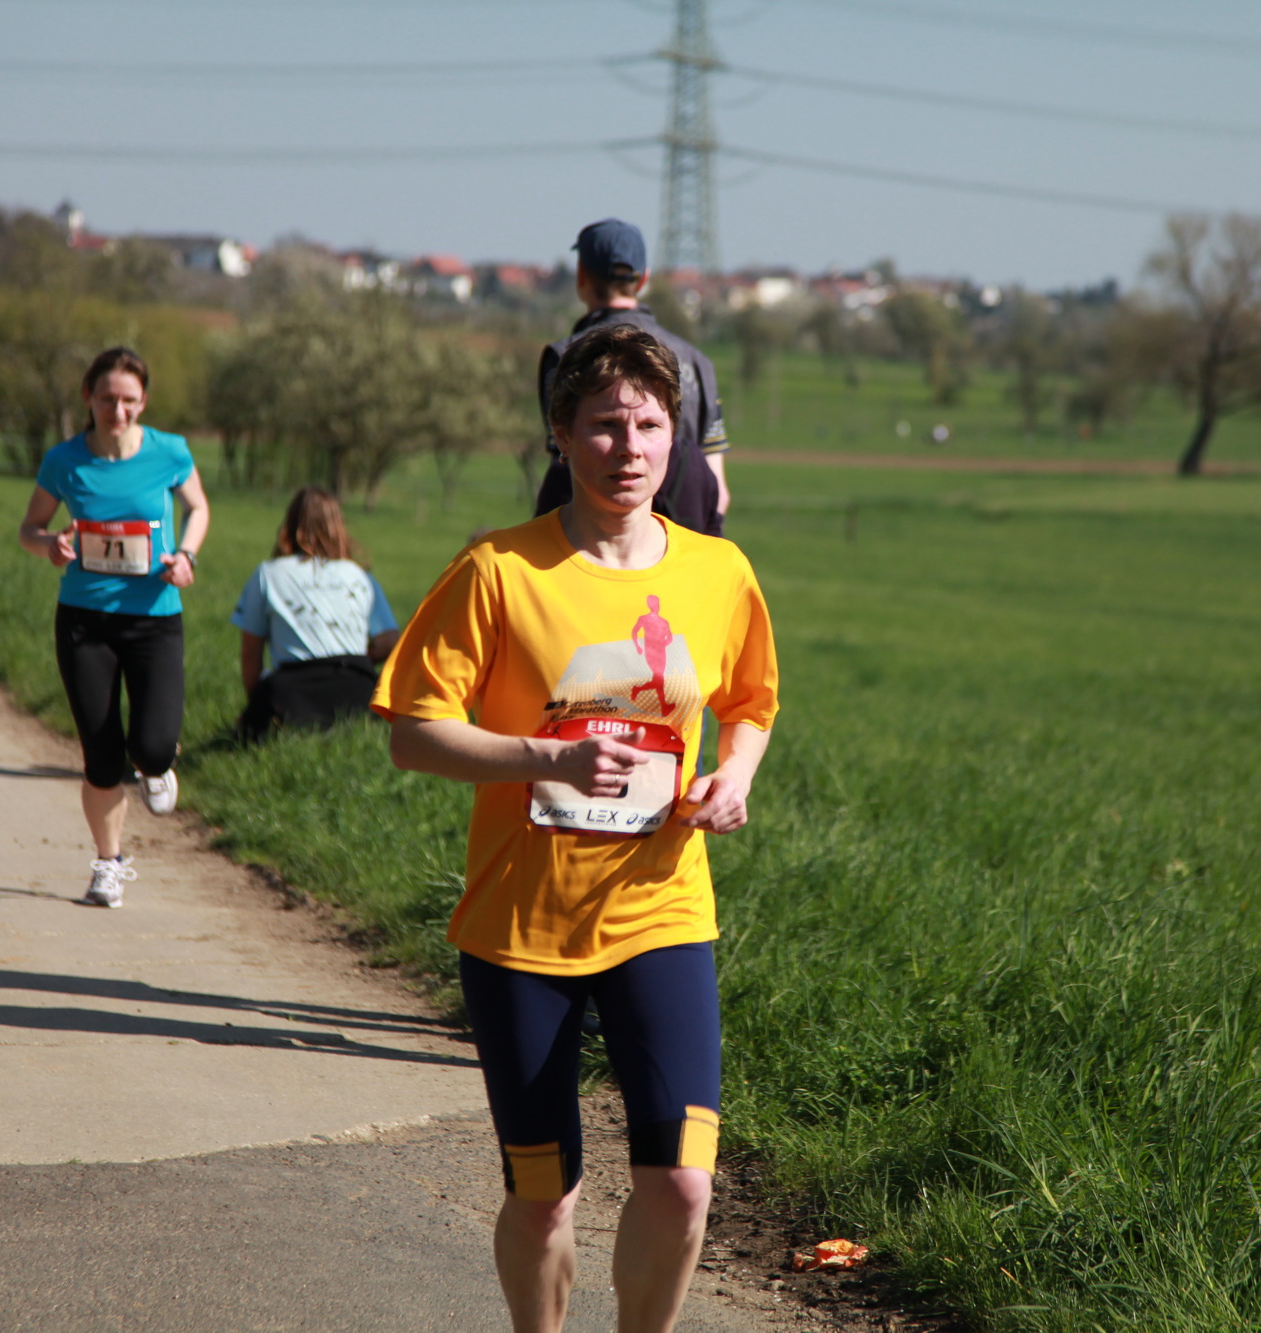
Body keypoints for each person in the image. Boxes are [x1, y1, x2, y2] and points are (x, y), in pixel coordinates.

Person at [376, 323, 778, 1333]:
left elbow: (751, 703)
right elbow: (413, 733)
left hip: (660, 911)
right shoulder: (499, 570)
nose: (627, 448)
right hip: (522, 927)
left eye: (648, 425)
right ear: (560, 435)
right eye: (603, 425)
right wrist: (546, 758)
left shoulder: (718, 572)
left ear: (675, 435)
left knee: (681, 1184)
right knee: (543, 1194)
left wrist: (731, 776)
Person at [18, 346, 209, 909]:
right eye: (107, 399)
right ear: (89, 397)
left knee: (151, 746)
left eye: (129, 400)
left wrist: (187, 557)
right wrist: (49, 545)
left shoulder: (170, 452)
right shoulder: (65, 460)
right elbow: (30, 528)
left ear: (143, 401)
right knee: (101, 757)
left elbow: (198, 508)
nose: (117, 411)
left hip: (155, 620)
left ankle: (156, 763)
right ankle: (108, 864)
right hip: (85, 622)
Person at [532, 218, 731, 537]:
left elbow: (565, 472)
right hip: (690, 542)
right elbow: (719, 491)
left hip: (593, 548)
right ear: (644, 278)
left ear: (582, 275)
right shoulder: (698, 362)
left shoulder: (565, 358)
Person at [232, 487, 401, 743]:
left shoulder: (268, 573)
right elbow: (389, 641)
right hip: (359, 689)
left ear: (289, 524)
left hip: (291, 692)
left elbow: (250, 652)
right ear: (339, 526)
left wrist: (257, 706)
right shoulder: (359, 575)